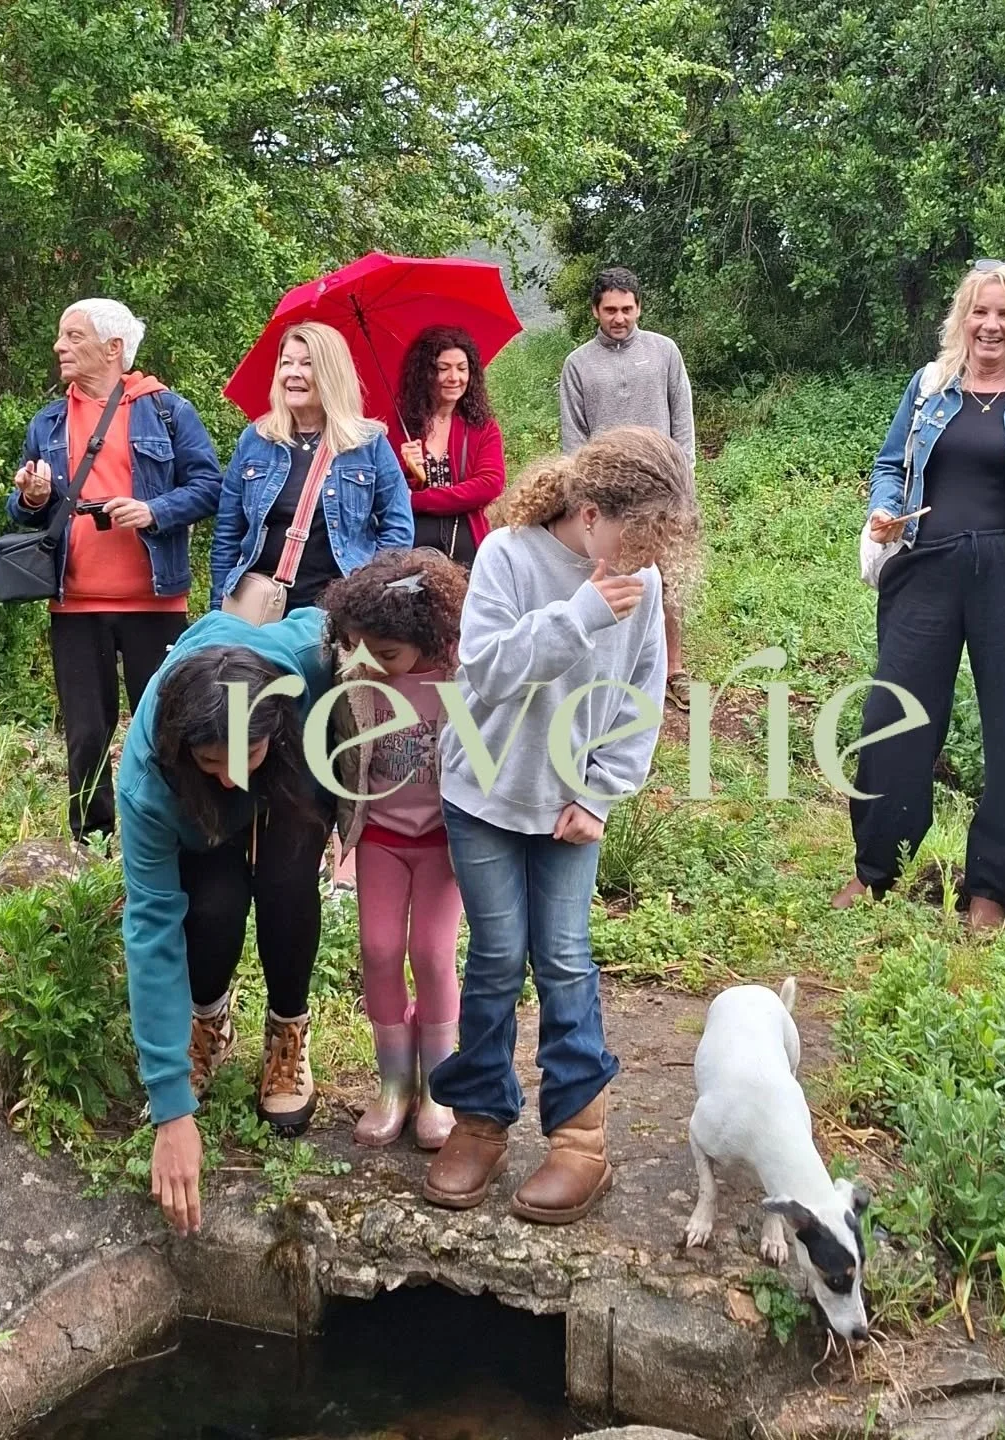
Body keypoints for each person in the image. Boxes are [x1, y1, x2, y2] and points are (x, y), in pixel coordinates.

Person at [422, 426, 700, 1224]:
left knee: (566, 956)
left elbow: (641, 697)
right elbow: (486, 671)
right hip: (485, 794)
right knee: (498, 956)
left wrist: (603, 792)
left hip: (573, 805)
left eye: (660, 543)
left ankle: (581, 1138)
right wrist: (577, 615)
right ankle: (479, 1120)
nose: (648, 558)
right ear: (588, 514)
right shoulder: (511, 557)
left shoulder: (643, 584)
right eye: (638, 537)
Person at [830, 261, 1005, 932]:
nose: (991, 324)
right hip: (926, 566)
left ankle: (996, 890)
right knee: (895, 717)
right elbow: (891, 463)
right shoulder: (929, 386)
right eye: (981, 311)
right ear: (963, 317)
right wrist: (884, 510)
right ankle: (875, 870)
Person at [119, 606, 337, 1236]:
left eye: (247, 752)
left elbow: (339, 625)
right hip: (195, 810)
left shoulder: (297, 666)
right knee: (211, 906)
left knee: (288, 886)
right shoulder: (148, 783)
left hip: (290, 781)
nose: (235, 774)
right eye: (218, 760)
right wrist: (170, 1109)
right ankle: (208, 1028)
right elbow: (152, 928)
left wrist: (348, 800)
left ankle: (287, 1036)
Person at [9, 298, 223, 842]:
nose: (60, 346)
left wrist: (154, 510)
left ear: (113, 348)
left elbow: (211, 488)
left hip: (155, 603)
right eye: (61, 335)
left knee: (165, 729)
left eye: (73, 336)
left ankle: (168, 835)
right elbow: (26, 509)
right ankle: (92, 845)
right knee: (86, 735)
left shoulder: (169, 411)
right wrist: (32, 497)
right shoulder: (48, 421)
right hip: (75, 605)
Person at [324, 549, 470, 1150]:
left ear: (426, 636)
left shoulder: (463, 674)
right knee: (379, 949)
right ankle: (392, 1084)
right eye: (361, 649)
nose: (373, 663)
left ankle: (439, 1086)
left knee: (433, 954)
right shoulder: (356, 676)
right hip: (380, 834)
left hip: (443, 839)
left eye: (387, 654)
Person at [558, 267, 697, 711]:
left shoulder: (663, 352)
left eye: (627, 308)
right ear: (595, 311)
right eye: (610, 310)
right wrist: (584, 493)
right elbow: (574, 437)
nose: (619, 318)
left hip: (661, 486)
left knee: (667, 577)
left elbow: (683, 421)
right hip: (607, 493)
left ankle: (674, 670)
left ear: (639, 307)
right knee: (610, 574)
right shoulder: (578, 364)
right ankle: (612, 674)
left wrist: (683, 482)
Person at [209, 322, 413, 616]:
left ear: (331, 374)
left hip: (339, 611)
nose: (293, 373)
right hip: (261, 610)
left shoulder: (367, 443)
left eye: (307, 364)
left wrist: (372, 595)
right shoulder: (255, 440)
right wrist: (218, 609)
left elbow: (398, 530)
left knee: (348, 664)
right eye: (286, 363)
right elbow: (228, 532)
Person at [389, 326, 507, 569]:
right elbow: (385, 493)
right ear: (424, 373)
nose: (455, 377)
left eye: (462, 368)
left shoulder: (482, 426)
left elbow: (489, 484)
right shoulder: (399, 426)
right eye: (443, 369)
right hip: (408, 547)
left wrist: (418, 499)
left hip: (467, 544)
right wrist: (407, 469)